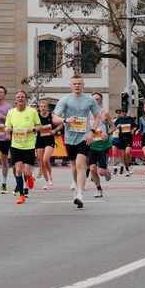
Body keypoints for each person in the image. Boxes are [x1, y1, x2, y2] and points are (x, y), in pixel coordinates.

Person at [51, 75, 101, 206]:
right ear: (70, 85)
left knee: (81, 165)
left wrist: (92, 131)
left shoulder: (90, 100)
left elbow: (97, 117)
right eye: (74, 84)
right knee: (73, 166)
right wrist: (65, 120)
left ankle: (80, 194)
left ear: (83, 85)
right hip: (69, 137)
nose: (77, 86)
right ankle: (77, 188)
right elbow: (54, 118)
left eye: (79, 83)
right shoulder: (65, 99)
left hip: (84, 136)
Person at [4, 90, 40, 204]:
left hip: (28, 145)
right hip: (16, 145)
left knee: (27, 171)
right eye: (18, 97)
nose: (20, 99)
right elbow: (7, 127)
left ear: (26, 99)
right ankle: (21, 195)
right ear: (15, 100)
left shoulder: (32, 112)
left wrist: (33, 130)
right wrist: (7, 131)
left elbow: (39, 126)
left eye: (22, 97)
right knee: (18, 170)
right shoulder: (11, 112)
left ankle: (29, 177)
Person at [85, 108, 114, 199]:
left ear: (101, 101)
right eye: (93, 99)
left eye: (97, 99)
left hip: (103, 147)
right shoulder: (87, 114)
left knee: (101, 172)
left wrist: (107, 133)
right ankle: (99, 189)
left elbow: (113, 127)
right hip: (91, 146)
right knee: (93, 169)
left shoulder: (104, 113)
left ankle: (106, 171)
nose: (95, 102)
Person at [36, 101, 58, 188]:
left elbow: (60, 124)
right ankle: (47, 181)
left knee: (46, 159)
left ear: (47, 107)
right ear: (39, 108)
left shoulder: (51, 116)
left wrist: (55, 131)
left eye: (44, 106)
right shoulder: (36, 116)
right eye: (41, 107)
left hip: (49, 140)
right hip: (40, 140)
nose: (43, 108)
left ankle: (51, 175)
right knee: (42, 163)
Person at [112, 106, 136, 175]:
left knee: (127, 152)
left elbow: (135, 126)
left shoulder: (130, 119)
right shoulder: (119, 119)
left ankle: (129, 164)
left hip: (128, 138)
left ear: (126, 113)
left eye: (124, 112)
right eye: (122, 112)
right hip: (121, 138)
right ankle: (127, 169)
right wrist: (117, 127)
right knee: (123, 155)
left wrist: (133, 130)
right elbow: (113, 127)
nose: (123, 113)